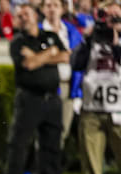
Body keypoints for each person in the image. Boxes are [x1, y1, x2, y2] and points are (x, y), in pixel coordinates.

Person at [4, 4, 68, 174]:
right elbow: (29, 64)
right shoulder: (17, 42)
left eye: (26, 13)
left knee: (51, 143)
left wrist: (38, 56)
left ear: (35, 16)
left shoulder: (50, 35)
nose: (23, 17)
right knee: (19, 143)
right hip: (29, 98)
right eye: (19, 15)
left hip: (52, 99)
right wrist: (50, 53)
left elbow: (65, 56)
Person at [72, 0, 121, 174]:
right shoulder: (92, 39)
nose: (111, 21)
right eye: (108, 17)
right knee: (91, 167)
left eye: (117, 17)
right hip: (92, 109)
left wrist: (116, 42)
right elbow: (76, 63)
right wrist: (88, 38)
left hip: (119, 110)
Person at [41, 0, 83, 149]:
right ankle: (42, 169)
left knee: (63, 132)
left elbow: (79, 59)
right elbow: (32, 60)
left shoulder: (71, 31)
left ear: (63, 9)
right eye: (48, 5)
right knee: (44, 131)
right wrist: (62, 56)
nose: (52, 9)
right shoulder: (38, 31)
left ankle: (53, 169)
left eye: (55, 5)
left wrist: (78, 92)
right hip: (46, 87)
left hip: (68, 87)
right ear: (43, 9)